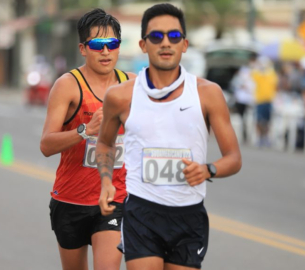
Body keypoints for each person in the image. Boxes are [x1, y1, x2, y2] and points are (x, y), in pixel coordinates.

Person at [96, 4, 242, 270]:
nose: (165, 43)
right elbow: (105, 143)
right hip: (141, 211)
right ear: (143, 44)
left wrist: (208, 169)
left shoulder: (208, 93)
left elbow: (234, 158)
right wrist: (106, 181)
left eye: (174, 36)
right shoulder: (120, 96)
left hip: (188, 214)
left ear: (184, 44)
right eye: (156, 36)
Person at [40, 8, 136, 270]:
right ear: (83, 48)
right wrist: (85, 130)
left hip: (114, 199)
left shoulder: (133, 85)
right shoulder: (68, 85)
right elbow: (46, 145)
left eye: (112, 44)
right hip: (70, 200)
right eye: (97, 45)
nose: (106, 51)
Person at [252, 56, 278, 148]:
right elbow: (254, 76)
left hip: (268, 100)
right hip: (259, 100)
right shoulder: (258, 73)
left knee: (267, 121)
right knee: (258, 120)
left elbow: (274, 83)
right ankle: (259, 137)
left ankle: (266, 137)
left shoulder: (271, 73)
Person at [231, 54, 256, 143]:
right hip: (241, 99)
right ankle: (240, 136)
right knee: (240, 118)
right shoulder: (243, 71)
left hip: (248, 99)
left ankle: (246, 136)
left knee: (247, 119)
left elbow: (253, 86)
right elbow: (236, 84)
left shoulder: (254, 72)